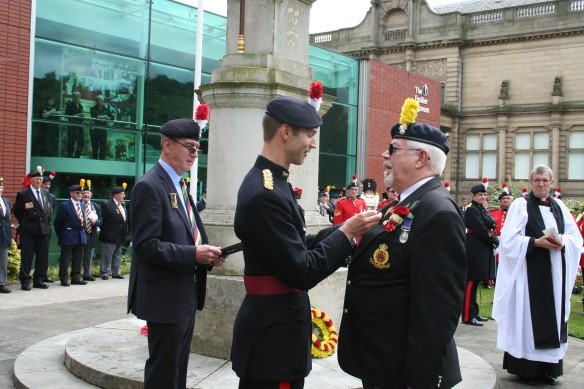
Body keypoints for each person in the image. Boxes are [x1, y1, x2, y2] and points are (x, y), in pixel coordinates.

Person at [230, 95, 380, 389]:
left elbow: (297, 242)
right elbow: (302, 270)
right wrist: (345, 234)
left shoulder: (274, 183)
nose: (313, 144)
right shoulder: (266, 193)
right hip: (273, 341)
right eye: (310, 135)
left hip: (276, 331)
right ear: (286, 132)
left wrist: (345, 229)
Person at [337, 98, 467, 389]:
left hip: (404, 373)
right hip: (383, 361)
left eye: (393, 149)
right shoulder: (405, 204)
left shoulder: (438, 213)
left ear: (421, 158)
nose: (385, 155)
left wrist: (419, 380)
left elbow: (437, 313)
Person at [127, 118, 223, 389]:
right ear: (167, 145)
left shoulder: (179, 185)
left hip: (184, 293)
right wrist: (193, 254)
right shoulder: (150, 186)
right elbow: (146, 246)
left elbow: (190, 233)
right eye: (189, 147)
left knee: (177, 369)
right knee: (164, 372)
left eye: (197, 149)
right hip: (164, 297)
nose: (194, 154)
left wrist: (209, 253)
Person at [493, 164, 583, 386]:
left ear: (552, 183)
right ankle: (528, 369)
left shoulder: (559, 206)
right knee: (528, 320)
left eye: (545, 180)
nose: (541, 184)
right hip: (529, 275)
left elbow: (576, 237)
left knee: (553, 316)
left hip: (555, 275)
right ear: (530, 182)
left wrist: (564, 242)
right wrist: (535, 242)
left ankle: (549, 369)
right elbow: (508, 242)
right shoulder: (520, 205)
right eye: (537, 180)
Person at [461, 183, 498, 326]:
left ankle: (474, 312)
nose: (483, 197)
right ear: (473, 196)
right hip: (474, 248)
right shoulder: (472, 210)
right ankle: (467, 315)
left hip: (482, 247)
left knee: (476, 282)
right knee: (471, 281)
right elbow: (480, 229)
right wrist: (495, 240)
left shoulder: (481, 209)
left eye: (484, 194)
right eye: (480, 195)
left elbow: (491, 224)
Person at [12, 169, 52, 290]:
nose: (39, 181)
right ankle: (25, 280)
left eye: (40, 179)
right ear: (31, 180)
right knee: (27, 257)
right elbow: (18, 212)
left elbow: (48, 209)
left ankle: (38, 280)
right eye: (36, 179)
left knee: (42, 256)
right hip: (29, 230)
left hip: (43, 230)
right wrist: (26, 222)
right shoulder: (23, 194)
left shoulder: (45, 193)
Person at [54, 185, 88, 286]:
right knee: (65, 258)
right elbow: (58, 223)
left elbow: (83, 219)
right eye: (77, 193)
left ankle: (76, 276)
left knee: (78, 257)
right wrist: (62, 234)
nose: (80, 195)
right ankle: (64, 277)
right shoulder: (65, 205)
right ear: (71, 193)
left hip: (80, 235)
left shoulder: (82, 205)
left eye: (81, 193)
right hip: (68, 235)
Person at [99, 185, 129, 280]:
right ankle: (105, 272)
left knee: (118, 255)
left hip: (120, 235)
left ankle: (116, 272)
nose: (124, 196)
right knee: (107, 255)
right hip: (109, 235)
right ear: (116, 195)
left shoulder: (122, 205)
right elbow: (103, 221)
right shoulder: (107, 205)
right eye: (122, 194)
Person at [81, 184, 102, 281]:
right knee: (78, 255)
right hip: (80, 233)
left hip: (91, 233)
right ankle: (76, 274)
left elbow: (101, 220)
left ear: (91, 194)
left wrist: (96, 222)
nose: (86, 195)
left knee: (89, 255)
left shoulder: (96, 206)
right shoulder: (78, 204)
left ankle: (87, 274)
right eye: (84, 193)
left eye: (88, 193)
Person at [40, 173, 56, 283]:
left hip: (47, 227)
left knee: (44, 253)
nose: (47, 186)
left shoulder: (52, 197)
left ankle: (43, 274)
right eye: (45, 184)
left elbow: (51, 212)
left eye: (49, 184)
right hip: (35, 227)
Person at [89, 95, 113, 160]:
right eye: (97, 100)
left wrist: (107, 117)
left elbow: (112, 117)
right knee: (95, 146)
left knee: (103, 146)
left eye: (100, 100)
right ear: (96, 101)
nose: (99, 101)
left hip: (103, 131)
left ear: (103, 101)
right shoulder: (92, 108)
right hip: (94, 131)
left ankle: (101, 161)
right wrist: (104, 117)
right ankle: (94, 160)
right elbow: (94, 116)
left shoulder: (106, 109)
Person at [0, 177, 13, 293]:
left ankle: (1, 283)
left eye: (1, 187)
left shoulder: (6, 201)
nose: (0, 189)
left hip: (4, 235)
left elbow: (7, 219)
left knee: (3, 261)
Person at [65, 91, 86, 158]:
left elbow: (82, 116)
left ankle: (76, 157)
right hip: (72, 126)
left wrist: (83, 117)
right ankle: (70, 157)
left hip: (79, 126)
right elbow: (67, 116)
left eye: (78, 96)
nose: (77, 97)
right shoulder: (69, 105)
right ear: (73, 97)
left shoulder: (80, 106)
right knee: (71, 143)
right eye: (75, 96)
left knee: (81, 143)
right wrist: (78, 115)